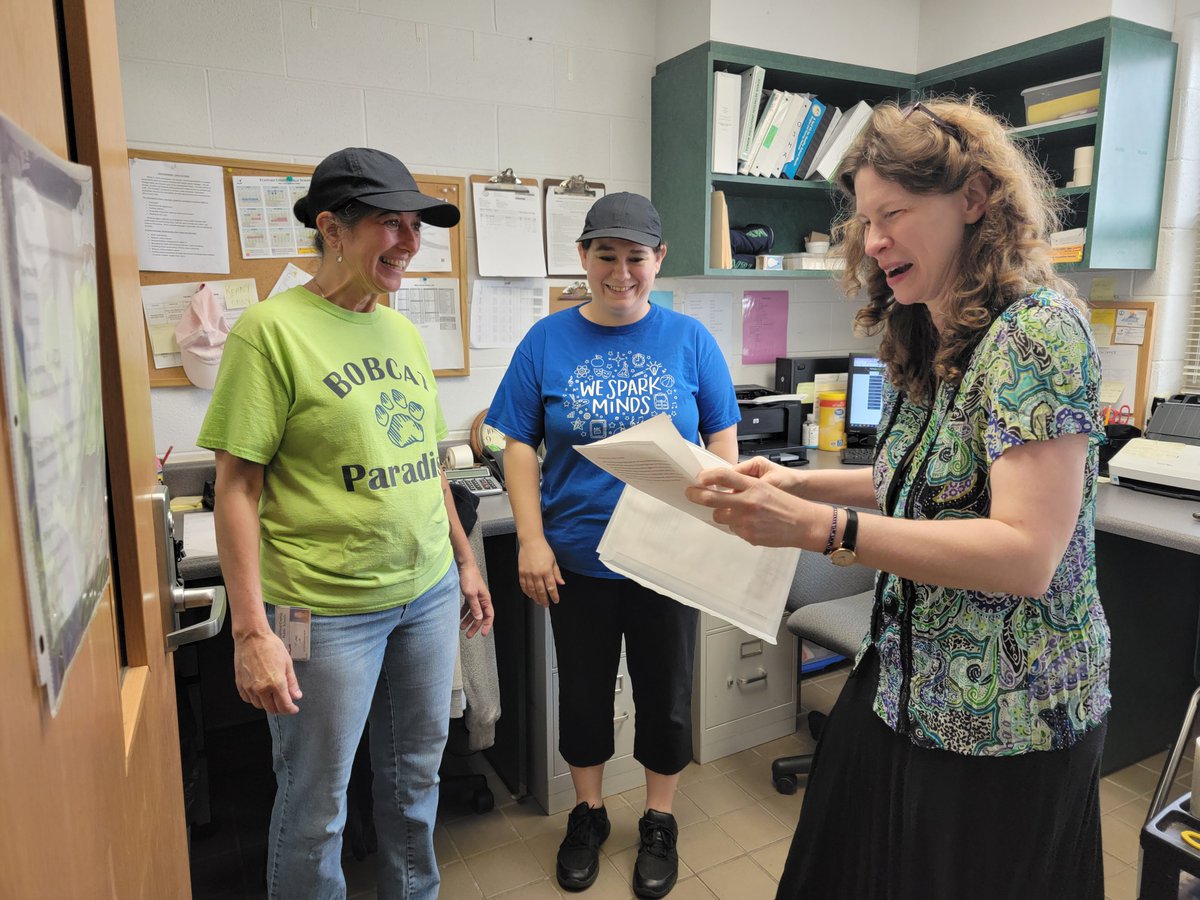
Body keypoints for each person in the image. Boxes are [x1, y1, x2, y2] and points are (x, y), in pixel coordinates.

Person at [687, 98, 1110, 900]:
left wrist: (823, 527)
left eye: (893, 214)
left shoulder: (1038, 334)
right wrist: (793, 481)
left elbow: (1024, 554)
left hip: (1008, 720)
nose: (873, 240)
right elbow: (918, 481)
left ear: (973, 201)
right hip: (906, 686)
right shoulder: (931, 329)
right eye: (864, 220)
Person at [197, 147, 493, 900]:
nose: (408, 242)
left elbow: (428, 463)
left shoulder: (401, 333)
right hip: (320, 613)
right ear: (331, 228)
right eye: (389, 224)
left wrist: (463, 562)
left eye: (415, 226)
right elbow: (237, 487)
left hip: (424, 595)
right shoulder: (269, 331)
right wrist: (252, 631)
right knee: (315, 805)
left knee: (411, 789)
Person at [485, 192, 740, 898]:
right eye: (606, 256)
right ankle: (588, 812)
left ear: (658, 260)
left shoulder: (690, 340)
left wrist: (717, 496)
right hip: (578, 558)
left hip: (669, 555)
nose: (621, 272)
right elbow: (516, 443)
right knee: (586, 694)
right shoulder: (545, 341)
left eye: (637, 257)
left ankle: (659, 820)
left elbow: (721, 436)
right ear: (583, 258)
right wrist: (531, 540)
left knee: (666, 695)